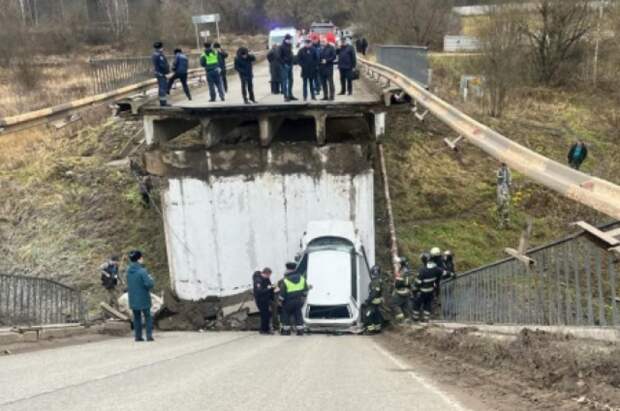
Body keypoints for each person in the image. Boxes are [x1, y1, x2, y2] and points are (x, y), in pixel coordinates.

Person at [126, 250, 155, 342]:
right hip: (143, 296)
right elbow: (148, 284)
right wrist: (151, 279)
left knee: (136, 317)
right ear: (139, 259)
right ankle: (149, 336)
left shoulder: (128, 271)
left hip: (133, 297)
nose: (142, 259)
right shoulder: (142, 271)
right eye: (141, 258)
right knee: (147, 316)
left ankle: (138, 336)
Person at [277, 262, 308, 335]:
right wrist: (302, 298)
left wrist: (280, 301)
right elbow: (306, 291)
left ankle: (286, 331)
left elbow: (282, 294)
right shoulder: (302, 278)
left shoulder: (285, 280)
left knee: (286, 315)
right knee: (298, 315)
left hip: (288, 302)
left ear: (287, 270)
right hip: (298, 301)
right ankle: (300, 331)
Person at [412, 256, 443, 322]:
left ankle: (415, 318)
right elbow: (444, 272)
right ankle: (426, 318)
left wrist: (414, 290)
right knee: (427, 304)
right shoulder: (437, 269)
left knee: (417, 304)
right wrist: (452, 274)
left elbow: (417, 282)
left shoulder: (422, 270)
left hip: (422, 291)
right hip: (430, 291)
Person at [253, 268, 276, 334]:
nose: (269, 277)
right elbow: (259, 291)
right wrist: (268, 289)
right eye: (269, 275)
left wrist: (272, 288)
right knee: (264, 315)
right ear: (266, 273)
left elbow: (269, 286)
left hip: (266, 299)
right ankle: (264, 330)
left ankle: (266, 329)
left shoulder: (266, 279)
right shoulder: (258, 280)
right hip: (261, 300)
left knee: (267, 314)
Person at [277, 34, 297, 102]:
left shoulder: (290, 46)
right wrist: (284, 63)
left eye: (290, 39)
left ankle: (290, 95)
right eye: (289, 39)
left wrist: (293, 61)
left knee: (291, 80)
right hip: (284, 66)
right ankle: (285, 96)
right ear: (286, 39)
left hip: (290, 65)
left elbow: (291, 55)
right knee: (285, 81)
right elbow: (279, 57)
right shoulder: (281, 47)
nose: (290, 40)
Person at [364, 265, 384, 333]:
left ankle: (371, 330)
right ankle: (377, 329)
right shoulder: (379, 280)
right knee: (376, 315)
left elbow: (374, 293)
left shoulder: (375, 281)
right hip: (377, 301)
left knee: (367, 314)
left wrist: (368, 300)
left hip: (373, 301)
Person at [151, 41, 170, 107]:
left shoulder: (154, 54)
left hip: (157, 73)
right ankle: (163, 103)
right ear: (161, 47)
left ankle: (162, 102)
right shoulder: (160, 55)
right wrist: (167, 70)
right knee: (162, 87)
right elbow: (163, 65)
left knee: (161, 87)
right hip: (161, 73)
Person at [319, 36, 337, 101]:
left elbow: (334, 57)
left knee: (330, 82)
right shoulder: (321, 48)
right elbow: (319, 57)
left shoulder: (331, 48)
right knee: (323, 83)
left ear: (327, 41)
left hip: (329, 67)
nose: (323, 43)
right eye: (322, 42)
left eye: (324, 41)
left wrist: (327, 60)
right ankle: (325, 96)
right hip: (322, 68)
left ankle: (332, 96)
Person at [496, 163, 512, 229]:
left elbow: (509, 180)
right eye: (503, 166)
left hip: (505, 189)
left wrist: (509, 183)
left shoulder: (508, 171)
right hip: (500, 188)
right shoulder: (499, 171)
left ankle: (507, 222)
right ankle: (501, 223)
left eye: (505, 165)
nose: (504, 167)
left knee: (506, 206)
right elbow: (498, 179)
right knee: (500, 205)